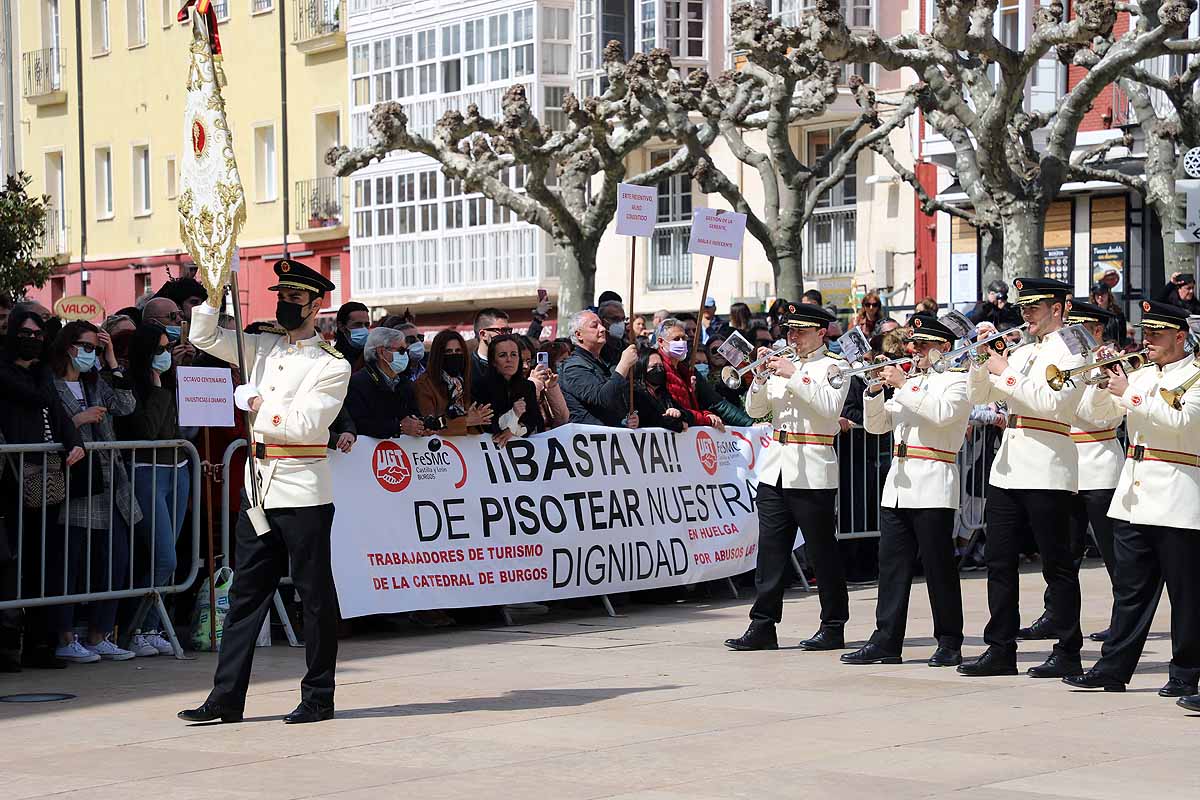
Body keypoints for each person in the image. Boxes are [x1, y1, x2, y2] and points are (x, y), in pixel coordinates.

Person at [178, 259, 351, 725]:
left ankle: (318, 696)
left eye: (295, 299)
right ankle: (225, 698)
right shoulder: (264, 348)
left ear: (317, 306)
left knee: (314, 599)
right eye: (282, 297)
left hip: (302, 489)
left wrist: (257, 403)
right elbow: (205, 338)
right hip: (258, 486)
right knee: (245, 598)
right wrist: (213, 295)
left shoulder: (331, 364)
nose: (285, 305)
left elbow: (306, 425)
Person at [1061, 301, 1200, 702]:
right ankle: (1112, 668)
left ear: (1180, 336)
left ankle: (1186, 674)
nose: (1148, 341)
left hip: (1177, 493)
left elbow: (1183, 424)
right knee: (1131, 592)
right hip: (1134, 495)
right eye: (1146, 333)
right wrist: (1099, 381)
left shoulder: (1194, 376)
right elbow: (1100, 413)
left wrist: (1131, 391)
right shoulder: (1140, 374)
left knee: (1186, 595)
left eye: (1157, 334)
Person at [958, 277, 1087, 679]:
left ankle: (1068, 649)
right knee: (998, 561)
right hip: (1009, 465)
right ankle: (1000, 648)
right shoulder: (1024, 350)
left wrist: (1004, 370)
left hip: (1048, 463)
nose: (1025, 314)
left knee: (1057, 565)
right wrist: (982, 360)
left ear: (1058, 308)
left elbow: (1051, 402)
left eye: (1034, 307)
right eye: (1024, 307)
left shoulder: (1074, 349)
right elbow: (979, 398)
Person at [840, 313, 971, 667]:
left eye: (924, 345)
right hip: (897, 485)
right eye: (915, 345)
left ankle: (949, 641)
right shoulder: (911, 383)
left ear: (944, 347)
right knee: (892, 568)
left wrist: (903, 384)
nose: (916, 351)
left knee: (938, 568)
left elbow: (942, 415)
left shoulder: (957, 381)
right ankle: (886, 640)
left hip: (932, 480)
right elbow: (878, 426)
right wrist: (873, 391)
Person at [725, 302, 850, 652]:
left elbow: (829, 407)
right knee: (771, 551)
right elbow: (755, 410)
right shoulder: (783, 364)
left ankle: (833, 624)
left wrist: (793, 373)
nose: (792, 337)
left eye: (800, 331)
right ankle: (762, 624)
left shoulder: (835, 366)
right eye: (789, 330)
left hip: (812, 467)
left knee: (822, 552)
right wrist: (761, 376)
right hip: (775, 466)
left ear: (821, 332)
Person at [1019, 299, 1125, 645]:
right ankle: (1056, 614)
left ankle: (1123, 620)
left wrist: (1098, 379)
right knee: (1062, 552)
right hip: (1066, 464)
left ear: (1096, 331)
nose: (1072, 335)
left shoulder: (1110, 366)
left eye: (1082, 329)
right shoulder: (1061, 361)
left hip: (1098, 463)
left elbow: (1105, 418)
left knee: (1114, 552)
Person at [49, 321, 140, 662]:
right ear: (68, 347)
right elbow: (46, 426)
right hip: (76, 482)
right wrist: (79, 420)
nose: (91, 354)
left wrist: (112, 360)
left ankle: (100, 633)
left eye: (96, 348)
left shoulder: (96, 382)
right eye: (87, 347)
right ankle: (65, 635)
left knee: (114, 559)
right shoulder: (52, 383)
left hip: (109, 481)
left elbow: (127, 405)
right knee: (70, 562)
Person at [0, 309, 85, 669]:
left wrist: (74, 442)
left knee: (43, 562)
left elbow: (59, 414)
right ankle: (6, 648)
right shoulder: (8, 372)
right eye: (26, 332)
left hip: (43, 478)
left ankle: (40, 645)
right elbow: (37, 399)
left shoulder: (41, 374)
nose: (33, 339)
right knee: (9, 564)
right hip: (10, 479)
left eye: (38, 334)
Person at [114, 322, 192, 658]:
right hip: (147, 472)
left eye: (167, 348)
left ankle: (150, 628)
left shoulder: (172, 381)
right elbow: (148, 432)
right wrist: (158, 390)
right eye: (159, 350)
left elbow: (176, 428)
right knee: (164, 557)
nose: (165, 355)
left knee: (168, 560)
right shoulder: (131, 384)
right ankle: (133, 628)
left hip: (179, 471)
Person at [343, 327, 428, 440]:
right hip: (369, 454)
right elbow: (358, 424)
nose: (405, 355)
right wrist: (398, 427)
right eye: (401, 351)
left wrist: (421, 425)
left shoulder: (404, 383)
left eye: (406, 351)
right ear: (382, 352)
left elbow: (413, 413)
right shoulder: (357, 383)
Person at [559, 310, 639, 427]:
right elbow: (603, 398)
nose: (602, 329)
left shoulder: (602, 362)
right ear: (579, 335)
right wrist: (623, 365)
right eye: (594, 326)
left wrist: (626, 420)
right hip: (589, 440)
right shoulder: (573, 367)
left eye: (601, 324)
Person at [414, 330, 493, 436]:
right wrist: (466, 421)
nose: (454, 355)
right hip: (441, 449)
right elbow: (430, 426)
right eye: (448, 352)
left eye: (458, 351)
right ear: (438, 355)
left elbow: (479, 421)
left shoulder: (467, 382)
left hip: (470, 447)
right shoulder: (424, 385)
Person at [655, 319, 726, 431]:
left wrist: (706, 414)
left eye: (684, 338)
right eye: (676, 339)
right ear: (660, 341)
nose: (682, 342)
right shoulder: (657, 369)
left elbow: (691, 406)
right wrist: (705, 418)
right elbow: (679, 410)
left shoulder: (684, 369)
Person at [480, 334, 544, 446]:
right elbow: (487, 424)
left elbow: (535, 422)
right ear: (493, 361)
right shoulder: (480, 386)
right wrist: (513, 415)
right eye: (502, 355)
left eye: (514, 354)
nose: (509, 359)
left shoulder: (528, 386)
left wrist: (514, 430)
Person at [632, 349, 689, 432]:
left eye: (661, 366)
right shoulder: (636, 393)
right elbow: (650, 419)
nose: (659, 370)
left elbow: (688, 415)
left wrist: (679, 413)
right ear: (642, 369)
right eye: (654, 367)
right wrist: (676, 424)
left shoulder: (663, 393)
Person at [470, 308, 512, 385]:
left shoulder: (514, 362)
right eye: (502, 331)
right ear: (483, 334)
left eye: (508, 331)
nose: (507, 336)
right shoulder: (467, 367)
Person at [332, 301, 371, 369]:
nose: (364, 329)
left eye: (366, 325)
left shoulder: (373, 356)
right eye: (357, 324)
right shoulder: (332, 359)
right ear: (341, 326)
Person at [597, 300, 628, 366]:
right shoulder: (597, 349)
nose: (620, 323)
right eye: (615, 319)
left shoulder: (626, 348)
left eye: (623, 319)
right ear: (603, 321)